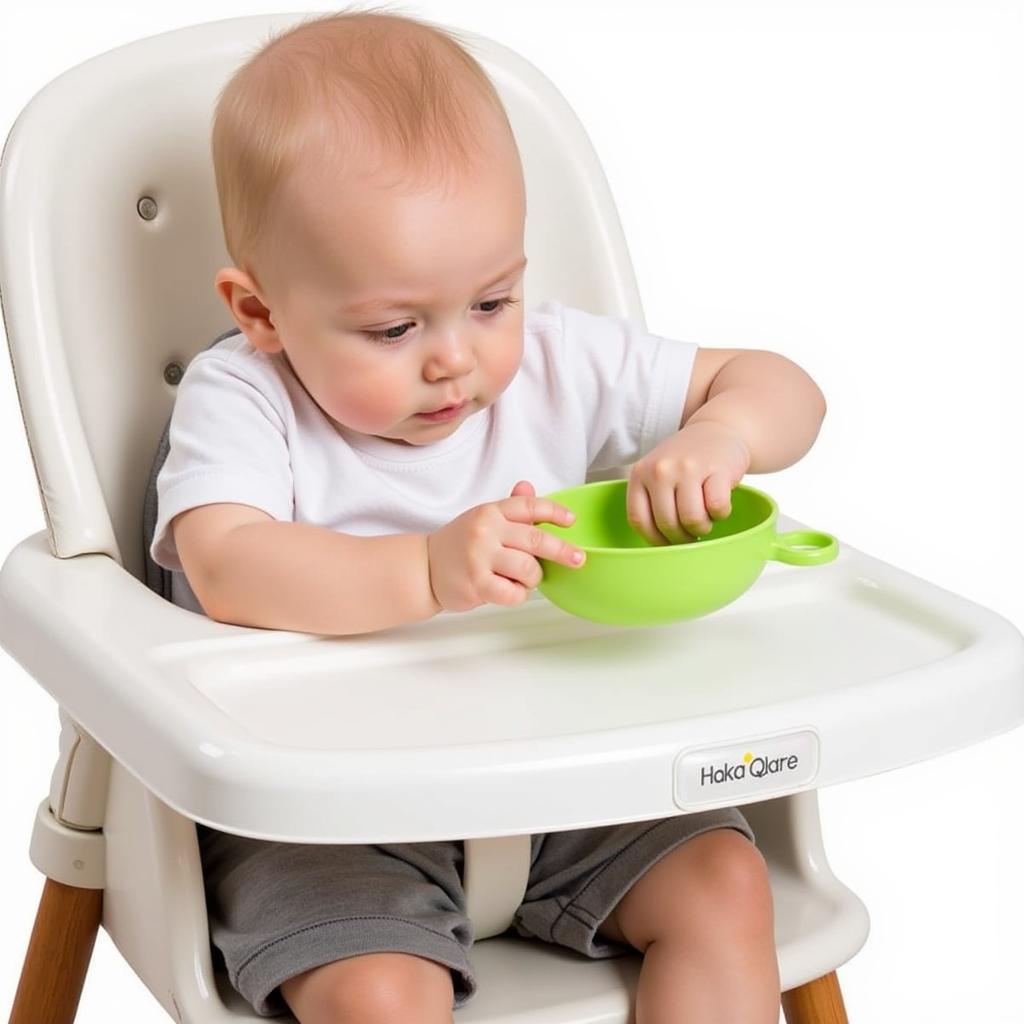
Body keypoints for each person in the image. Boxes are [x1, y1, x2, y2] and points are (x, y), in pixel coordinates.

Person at [149, 7, 825, 1022]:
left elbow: (781, 384)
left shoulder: (556, 361)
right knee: (378, 994)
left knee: (726, 888)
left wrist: (720, 435)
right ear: (261, 313)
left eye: (491, 301)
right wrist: (420, 574)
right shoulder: (242, 398)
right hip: (337, 816)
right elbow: (227, 562)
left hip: (566, 781)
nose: (454, 358)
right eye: (393, 325)